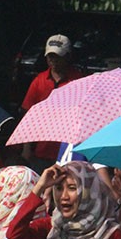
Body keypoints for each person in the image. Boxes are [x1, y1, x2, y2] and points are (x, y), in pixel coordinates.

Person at [20, 34, 84, 170]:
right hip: (42, 150)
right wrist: (27, 147)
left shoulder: (78, 81)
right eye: (50, 55)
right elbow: (27, 115)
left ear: (67, 56)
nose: (52, 60)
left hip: (67, 150)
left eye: (57, 56)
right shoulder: (39, 80)